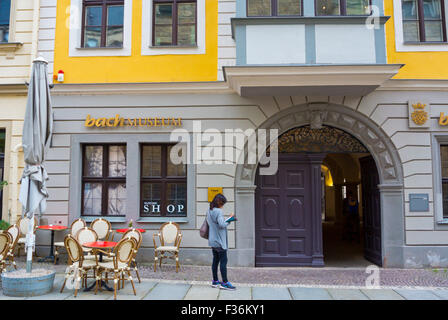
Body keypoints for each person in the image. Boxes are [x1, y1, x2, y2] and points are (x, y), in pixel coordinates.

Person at [207, 193, 236, 290]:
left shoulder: (209, 210)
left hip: (212, 239)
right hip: (219, 241)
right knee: (223, 261)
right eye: (223, 204)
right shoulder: (218, 211)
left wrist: (224, 219)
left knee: (215, 260)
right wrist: (230, 218)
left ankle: (215, 281)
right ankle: (225, 283)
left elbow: (214, 223)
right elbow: (222, 225)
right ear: (220, 203)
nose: (223, 206)